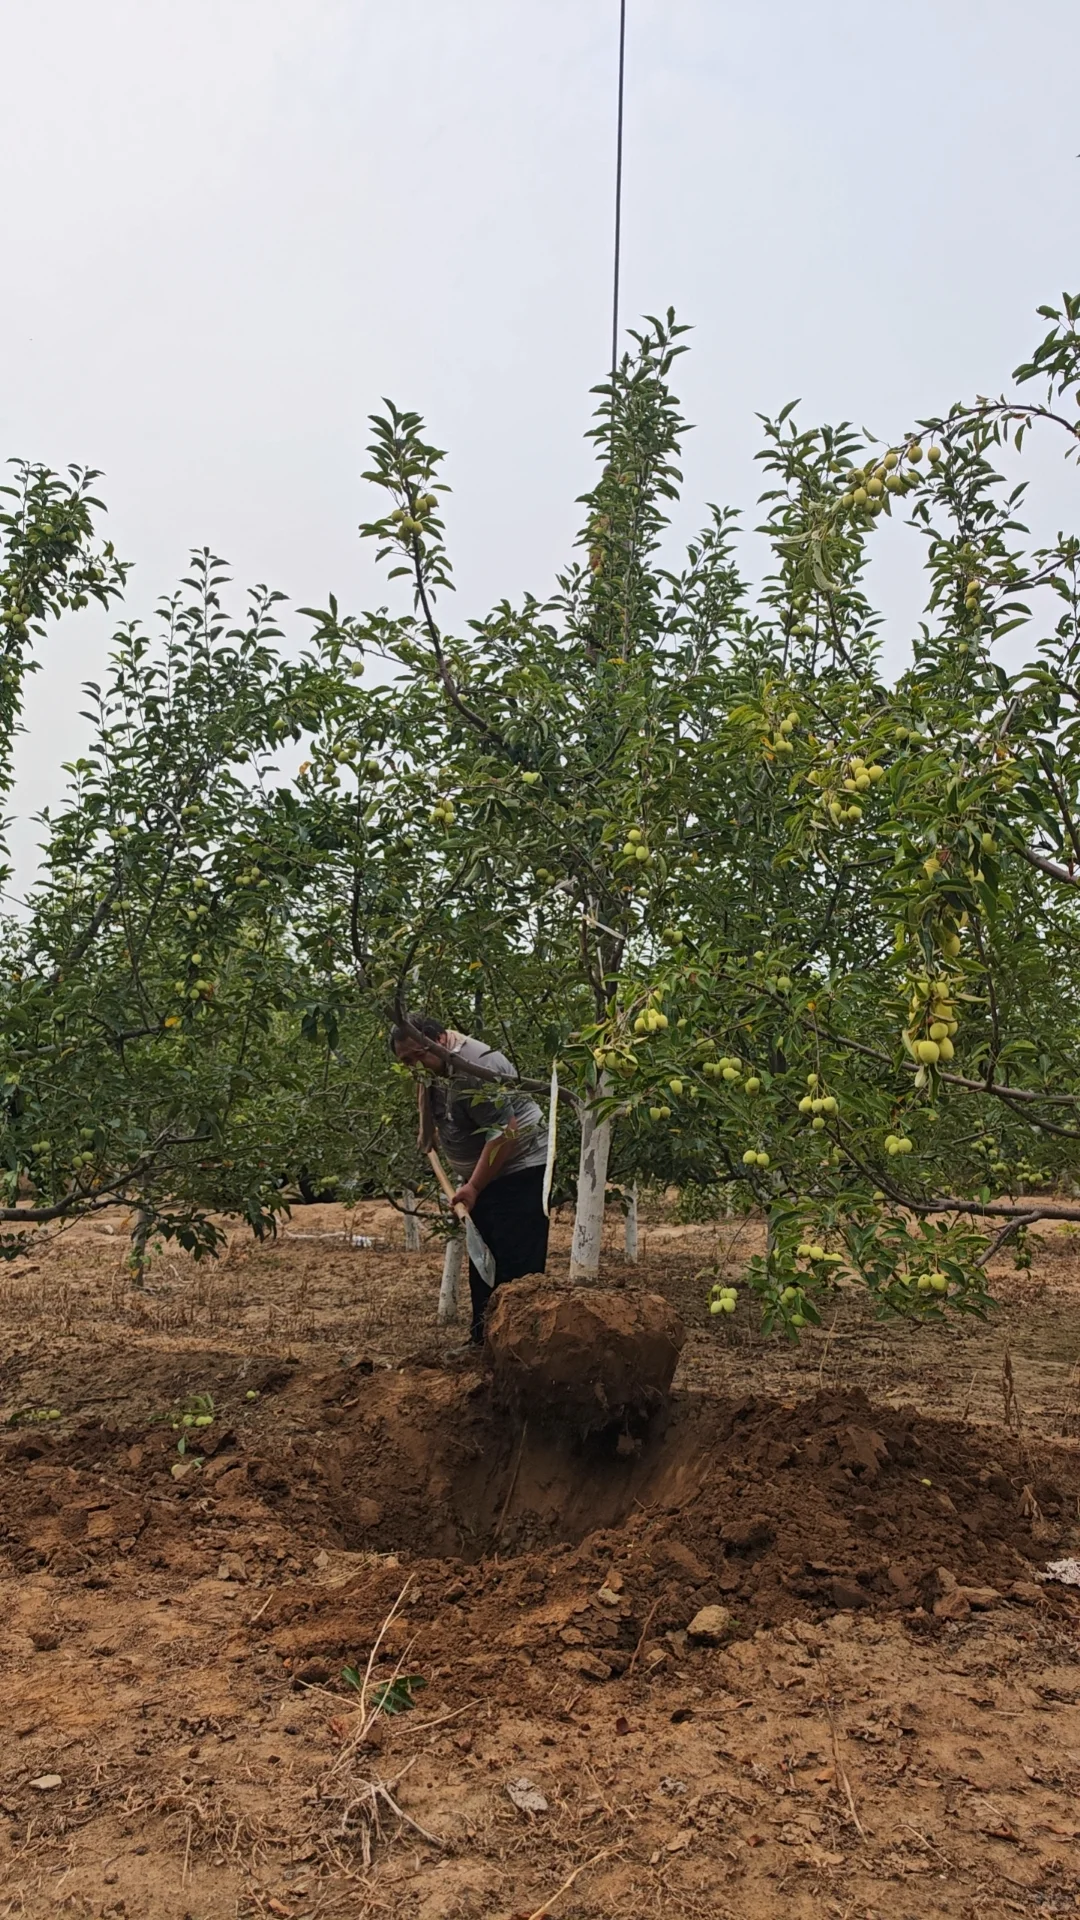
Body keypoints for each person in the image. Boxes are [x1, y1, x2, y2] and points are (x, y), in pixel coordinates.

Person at [389, 1014, 549, 1343]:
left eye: (415, 1056)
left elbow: (505, 1132)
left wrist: (474, 1186)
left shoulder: (470, 1068)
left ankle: (519, 1346)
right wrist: (429, 1131)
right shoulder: (433, 1063)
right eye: (403, 1061)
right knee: (483, 1258)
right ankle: (483, 1340)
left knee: (515, 1261)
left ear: (439, 1039)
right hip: (486, 1172)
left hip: (519, 1166)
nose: (411, 1067)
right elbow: (431, 1096)